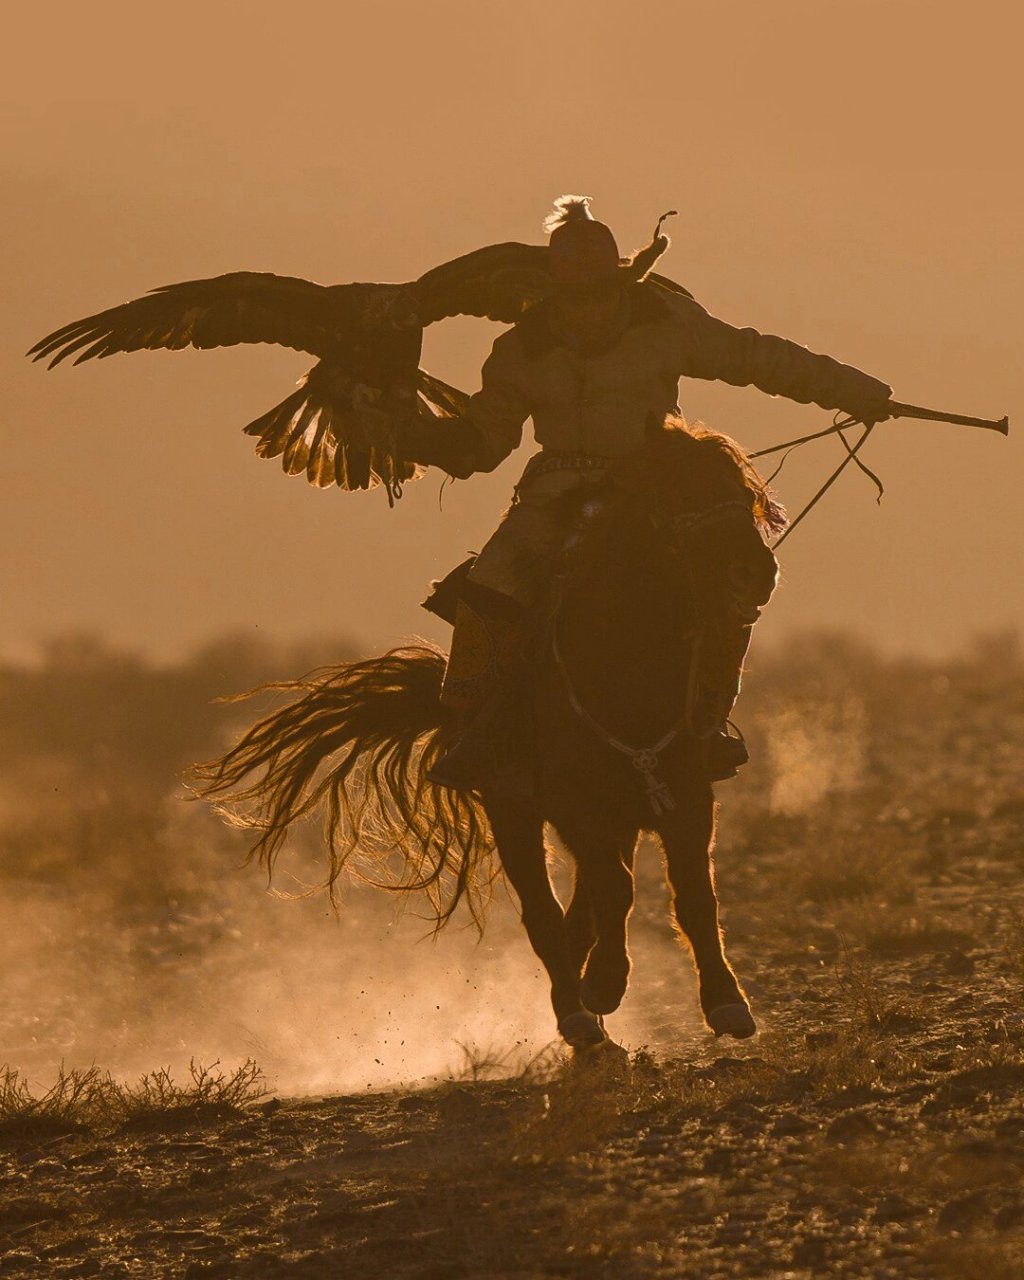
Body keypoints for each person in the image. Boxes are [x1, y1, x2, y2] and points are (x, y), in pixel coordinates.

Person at [398, 195, 892, 794]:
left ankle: (707, 720)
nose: (593, 303)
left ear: (622, 275)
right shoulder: (520, 350)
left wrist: (856, 391)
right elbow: (483, 443)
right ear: (553, 286)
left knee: (731, 577)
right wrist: (407, 435)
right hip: (554, 493)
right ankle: (474, 726)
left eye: (602, 286)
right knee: (491, 583)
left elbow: (756, 356)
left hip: (660, 485)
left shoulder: (664, 319)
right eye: (579, 290)